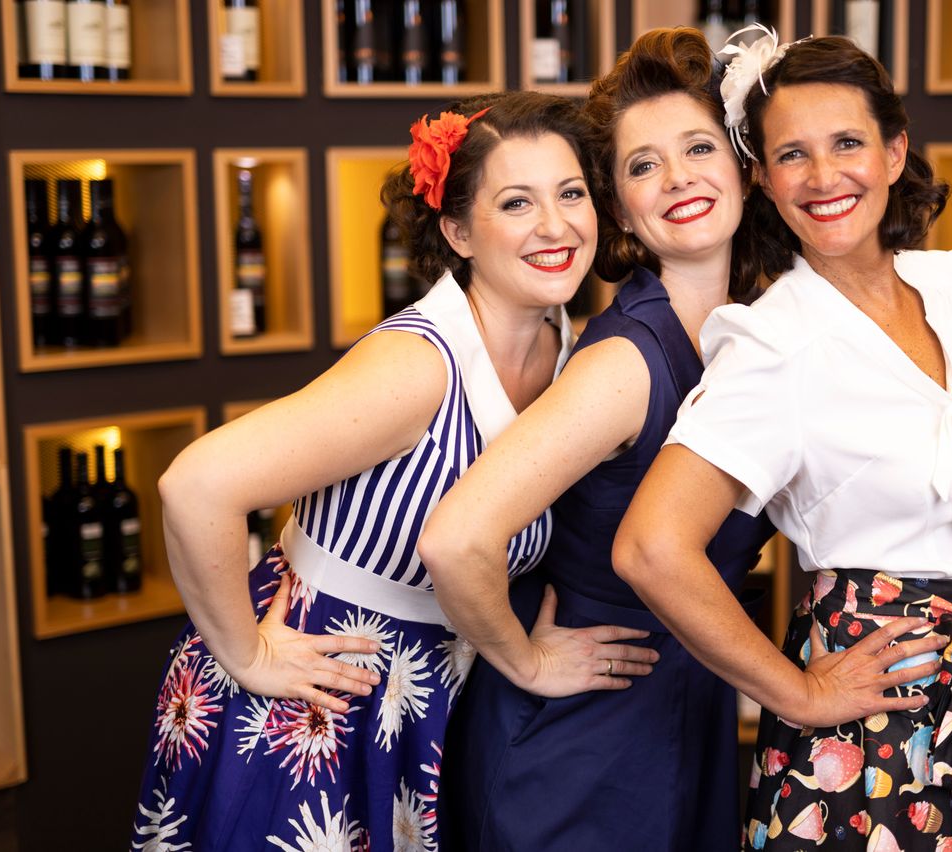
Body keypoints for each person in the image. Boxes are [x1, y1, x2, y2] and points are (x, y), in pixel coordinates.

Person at [420, 29, 943, 851]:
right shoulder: (626, 362)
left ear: (744, 167)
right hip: (575, 743)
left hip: (687, 709)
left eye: (698, 148)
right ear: (621, 206)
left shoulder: (762, 329)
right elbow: (456, 539)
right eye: (642, 165)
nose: (677, 179)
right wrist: (526, 661)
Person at [128, 91, 655, 851]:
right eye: (517, 202)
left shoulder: (564, 344)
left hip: (420, 699)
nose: (555, 225)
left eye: (570, 193)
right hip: (314, 694)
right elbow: (195, 485)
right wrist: (248, 654)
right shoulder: (418, 366)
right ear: (458, 232)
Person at [614, 33, 952, 850]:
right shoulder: (774, 343)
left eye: (846, 143)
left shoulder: (943, 285)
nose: (822, 176)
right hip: (883, 732)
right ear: (762, 178)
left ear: (894, 151)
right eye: (791, 155)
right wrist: (801, 693)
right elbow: (651, 547)